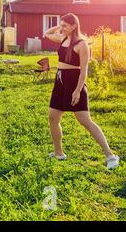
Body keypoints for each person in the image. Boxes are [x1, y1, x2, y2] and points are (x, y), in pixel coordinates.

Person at [44, 13, 119, 170]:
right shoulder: (63, 38)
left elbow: (84, 71)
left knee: (85, 120)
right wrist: (60, 26)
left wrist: (77, 91)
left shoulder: (82, 44)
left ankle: (110, 155)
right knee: (53, 117)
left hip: (75, 82)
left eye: (65, 25)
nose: (61, 28)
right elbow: (47, 33)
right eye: (61, 25)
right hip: (60, 81)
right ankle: (59, 153)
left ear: (74, 26)